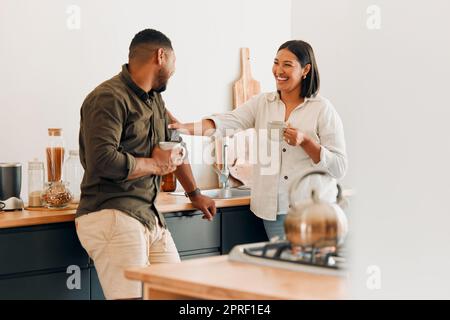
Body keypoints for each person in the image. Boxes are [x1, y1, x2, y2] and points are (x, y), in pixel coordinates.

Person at [75, 29, 216, 300]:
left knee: (180, 296)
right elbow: (102, 160)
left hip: (148, 216)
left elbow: (174, 146)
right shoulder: (108, 98)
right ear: (161, 56)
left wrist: (195, 194)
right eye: (173, 62)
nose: (174, 71)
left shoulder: (154, 100)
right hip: (112, 213)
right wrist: (154, 165)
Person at [169, 40, 347, 240]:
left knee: (309, 270)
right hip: (274, 214)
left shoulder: (322, 109)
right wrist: (186, 128)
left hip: (313, 212)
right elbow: (227, 122)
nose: (278, 70)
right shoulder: (263, 103)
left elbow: (339, 167)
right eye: (276, 62)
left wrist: (305, 142)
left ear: (306, 69)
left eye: (287, 65)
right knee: (282, 270)